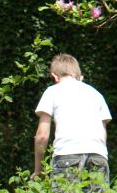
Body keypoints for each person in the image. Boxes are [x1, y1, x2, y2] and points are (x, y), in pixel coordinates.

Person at [32, 53, 112, 191]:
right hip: (98, 156)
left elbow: (42, 136)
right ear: (80, 78)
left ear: (55, 77)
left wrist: (39, 170)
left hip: (67, 155)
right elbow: (103, 134)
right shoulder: (96, 94)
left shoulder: (52, 91)